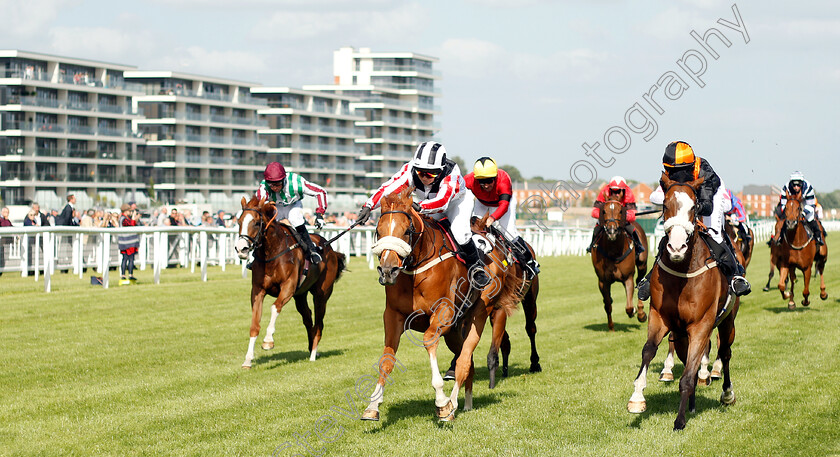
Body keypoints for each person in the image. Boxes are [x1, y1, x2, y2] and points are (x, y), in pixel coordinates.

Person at [357, 141, 490, 287]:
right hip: (427, 203)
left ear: (441, 170)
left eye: (431, 173)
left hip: (456, 203)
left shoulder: (452, 172)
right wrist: (368, 206)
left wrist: (420, 206)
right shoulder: (410, 169)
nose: (425, 177)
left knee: (460, 233)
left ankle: (477, 268)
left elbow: (442, 202)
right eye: (420, 172)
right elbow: (388, 188)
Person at [638, 141, 750, 300]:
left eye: (677, 171)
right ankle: (650, 279)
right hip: (687, 196)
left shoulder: (704, 173)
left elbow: (707, 207)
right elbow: (654, 197)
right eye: (670, 170)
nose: (674, 174)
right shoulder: (669, 173)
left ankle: (735, 276)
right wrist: (675, 203)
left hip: (712, 196)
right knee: (673, 235)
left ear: (688, 167)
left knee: (713, 234)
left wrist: (689, 206)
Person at [464, 156, 540, 278]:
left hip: (502, 203)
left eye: (489, 181)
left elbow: (504, 205)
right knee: (473, 231)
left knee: (509, 233)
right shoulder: (468, 180)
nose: (486, 185)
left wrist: (492, 218)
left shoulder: (504, 179)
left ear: (495, 177)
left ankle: (530, 263)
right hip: (481, 203)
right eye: (481, 181)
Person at [256, 162, 328, 264]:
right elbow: (259, 202)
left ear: (284, 179)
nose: (274, 187)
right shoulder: (264, 186)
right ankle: (256, 256)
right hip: (276, 206)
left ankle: (312, 250)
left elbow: (320, 192)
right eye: (271, 184)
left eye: (277, 184)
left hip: (293, 204)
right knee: (266, 224)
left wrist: (320, 214)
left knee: (295, 218)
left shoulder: (297, 182)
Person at [587, 176, 646, 258]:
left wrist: (620, 216)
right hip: (607, 219)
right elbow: (594, 211)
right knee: (597, 228)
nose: (616, 194)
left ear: (623, 190)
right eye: (613, 191)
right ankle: (591, 246)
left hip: (622, 219)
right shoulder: (604, 191)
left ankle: (639, 246)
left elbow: (632, 215)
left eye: (618, 191)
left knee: (631, 228)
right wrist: (605, 216)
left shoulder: (628, 193)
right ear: (609, 189)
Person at [772, 171, 823, 246]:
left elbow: (811, 205)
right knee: (782, 219)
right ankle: (779, 237)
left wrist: (802, 214)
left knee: (810, 218)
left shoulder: (808, 188)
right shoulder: (786, 188)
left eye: (798, 185)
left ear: (801, 184)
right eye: (794, 185)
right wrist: (789, 214)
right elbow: (783, 204)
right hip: (791, 203)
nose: (796, 187)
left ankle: (818, 236)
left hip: (805, 202)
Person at [117, 204, 140, 285]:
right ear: (125, 211)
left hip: (129, 242)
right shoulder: (123, 219)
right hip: (126, 242)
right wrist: (134, 218)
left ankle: (130, 274)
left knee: (130, 259)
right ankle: (123, 275)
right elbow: (131, 224)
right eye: (130, 211)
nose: (131, 212)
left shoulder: (125, 218)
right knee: (126, 259)